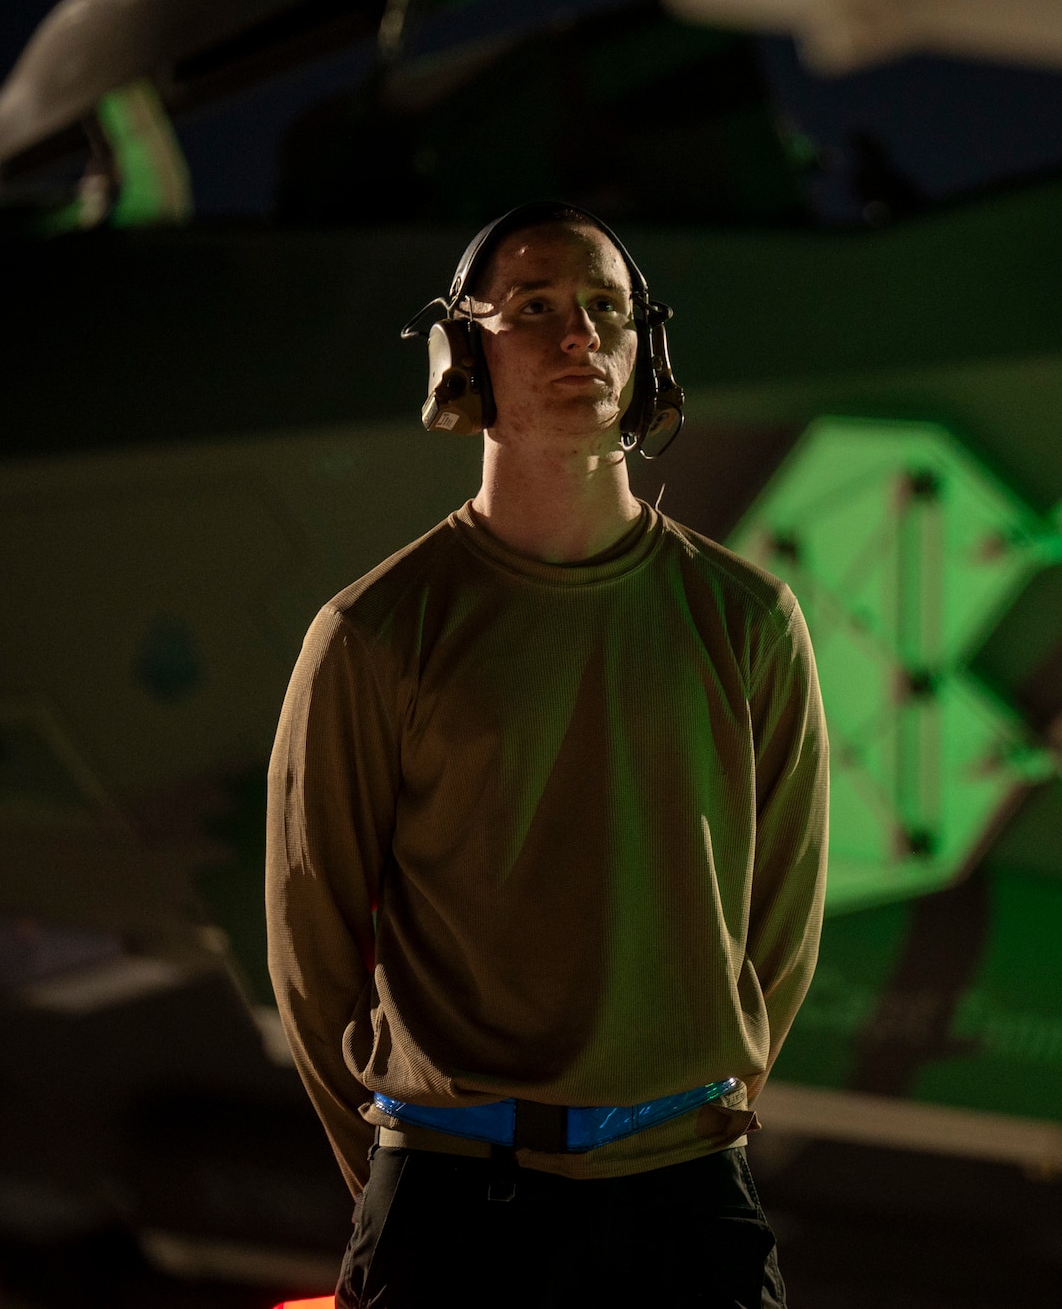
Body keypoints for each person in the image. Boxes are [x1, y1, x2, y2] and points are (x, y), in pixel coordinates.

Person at [265, 201, 828, 1308]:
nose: (578, 337)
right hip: (447, 1204)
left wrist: (678, 1122)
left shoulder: (747, 618)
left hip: (683, 1206)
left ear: (645, 345)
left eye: (605, 309)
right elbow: (310, 937)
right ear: (460, 354)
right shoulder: (373, 631)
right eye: (532, 309)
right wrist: (402, 1163)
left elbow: (784, 920)